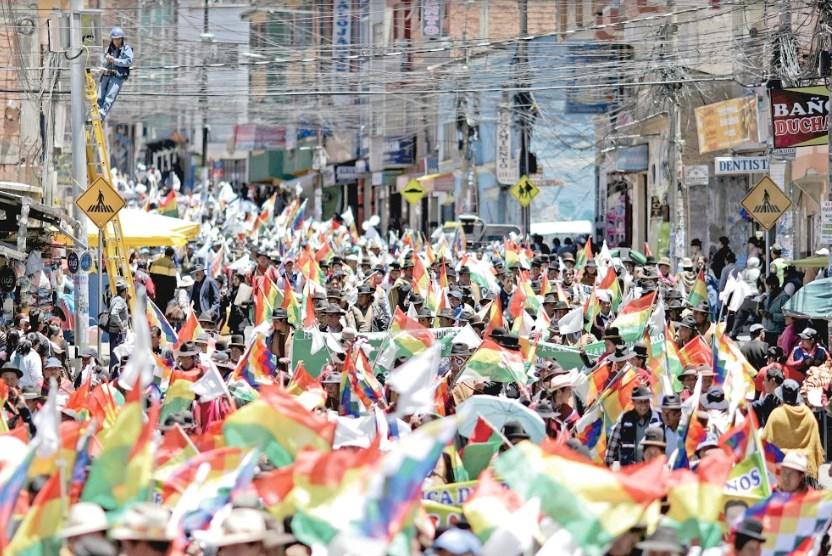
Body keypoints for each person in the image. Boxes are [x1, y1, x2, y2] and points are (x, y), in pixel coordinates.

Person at [762, 379, 825, 479]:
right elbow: (815, 445)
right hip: (806, 471)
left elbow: (765, 442)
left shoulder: (776, 414)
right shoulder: (809, 415)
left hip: (783, 470)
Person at [605, 386, 662, 466]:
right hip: (629, 471)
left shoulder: (659, 418)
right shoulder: (624, 419)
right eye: (640, 402)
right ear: (633, 402)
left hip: (652, 470)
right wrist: (608, 466)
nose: (643, 405)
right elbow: (612, 446)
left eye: (646, 401)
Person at [98, 27, 134, 119]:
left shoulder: (127, 49)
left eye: (118, 39)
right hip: (106, 75)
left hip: (117, 77)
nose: (116, 41)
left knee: (109, 98)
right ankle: (96, 113)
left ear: (122, 39)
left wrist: (115, 60)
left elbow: (128, 61)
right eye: (114, 39)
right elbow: (102, 61)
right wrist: (107, 60)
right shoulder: (108, 49)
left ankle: (101, 114)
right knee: (99, 97)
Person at [760, 273, 789, 346]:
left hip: (777, 332)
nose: (770, 287)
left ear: (776, 284)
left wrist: (771, 316)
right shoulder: (768, 296)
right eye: (768, 285)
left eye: (772, 285)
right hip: (766, 330)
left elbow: (787, 316)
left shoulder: (784, 298)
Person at [107, 280, 130, 370]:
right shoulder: (120, 301)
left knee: (114, 355)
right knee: (117, 356)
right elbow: (114, 313)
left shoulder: (114, 298)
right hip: (118, 333)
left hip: (113, 332)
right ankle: (114, 376)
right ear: (124, 291)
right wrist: (121, 326)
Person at [149, 247, 178, 311]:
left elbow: (150, 275)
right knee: (163, 309)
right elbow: (173, 280)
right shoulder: (171, 265)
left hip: (156, 289)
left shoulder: (155, 262)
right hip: (166, 292)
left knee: (157, 307)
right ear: (172, 255)